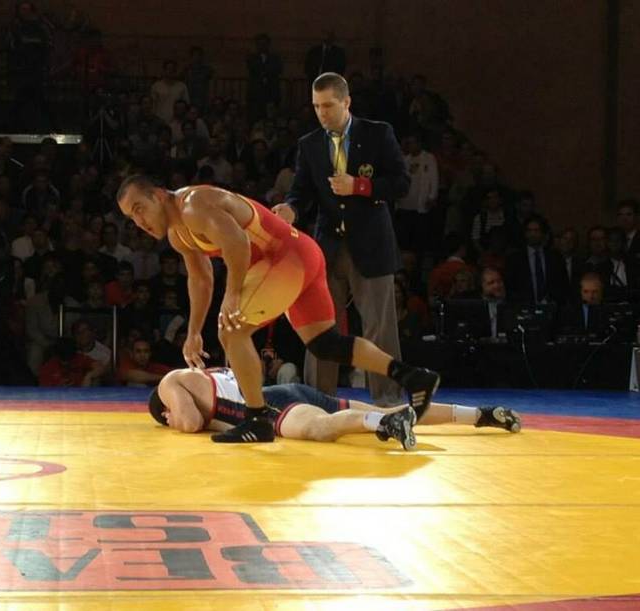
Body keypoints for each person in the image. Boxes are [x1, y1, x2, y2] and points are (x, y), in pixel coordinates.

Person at [117, 175, 438, 444]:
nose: (139, 222)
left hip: (284, 258)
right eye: (132, 217)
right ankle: (413, 376)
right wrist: (193, 332)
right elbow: (201, 279)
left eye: (140, 208)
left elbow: (238, 244)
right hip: (301, 253)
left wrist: (232, 296)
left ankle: (258, 420)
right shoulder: (178, 235)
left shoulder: (194, 206)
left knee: (232, 328)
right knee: (326, 344)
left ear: (159, 195)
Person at [273, 72, 410, 405]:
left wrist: (360, 186)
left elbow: (401, 183)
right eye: (316, 106)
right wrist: (291, 209)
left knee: (379, 328)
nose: (322, 113)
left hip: (371, 245)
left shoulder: (377, 134)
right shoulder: (309, 144)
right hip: (328, 248)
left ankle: (389, 401)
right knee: (321, 327)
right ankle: (317, 400)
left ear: (346, 102)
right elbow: (301, 191)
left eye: (328, 105)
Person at [148, 367, 522, 450]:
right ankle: (480, 415)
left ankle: (386, 424)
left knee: (322, 429)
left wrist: (172, 417)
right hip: (285, 390)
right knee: (382, 405)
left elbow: (190, 422)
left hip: (270, 406)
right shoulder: (199, 376)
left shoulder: (169, 382)